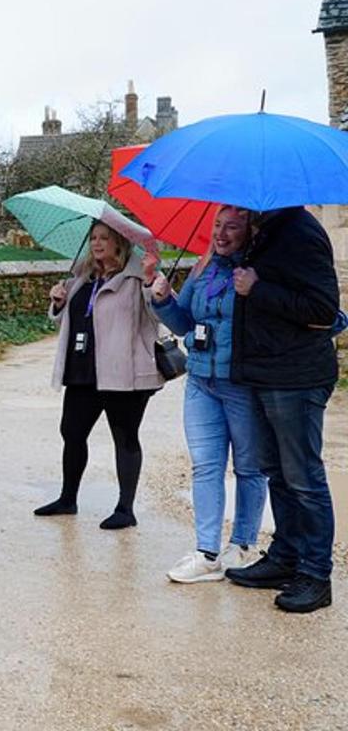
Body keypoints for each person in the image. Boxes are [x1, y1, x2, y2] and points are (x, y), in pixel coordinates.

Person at [222, 207, 341, 614]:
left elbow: (323, 310)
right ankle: (285, 558)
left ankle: (315, 574)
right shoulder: (268, 231)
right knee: (279, 474)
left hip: (295, 375)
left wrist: (257, 288)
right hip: (267, 371)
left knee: (303, 477)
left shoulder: (300, 232)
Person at [146, 206, 267, 583]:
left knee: (249, 468)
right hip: (201, 381)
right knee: (206, 466)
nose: (222, 233)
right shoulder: (202, 266)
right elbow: (186, 324)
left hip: (242, 383)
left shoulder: (262, 266)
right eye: (218, 225)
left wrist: (257, 288)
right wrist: (163, 300)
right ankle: (207, 552)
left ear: (249, 231)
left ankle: (243, 545)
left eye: (232, 227)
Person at [35, 220, 163, 530]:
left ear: (119, 242)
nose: (97, 243)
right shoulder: (82, 277)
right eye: (93, 237)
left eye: (104, 237)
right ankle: (68, 498)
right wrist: (59, 303)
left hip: (124, 374)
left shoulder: (137, 278)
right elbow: (69, 319)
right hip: (83, 371)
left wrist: (151, 286)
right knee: (72, 432)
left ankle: (125, 508)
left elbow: (157, 316)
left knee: (125, 437)